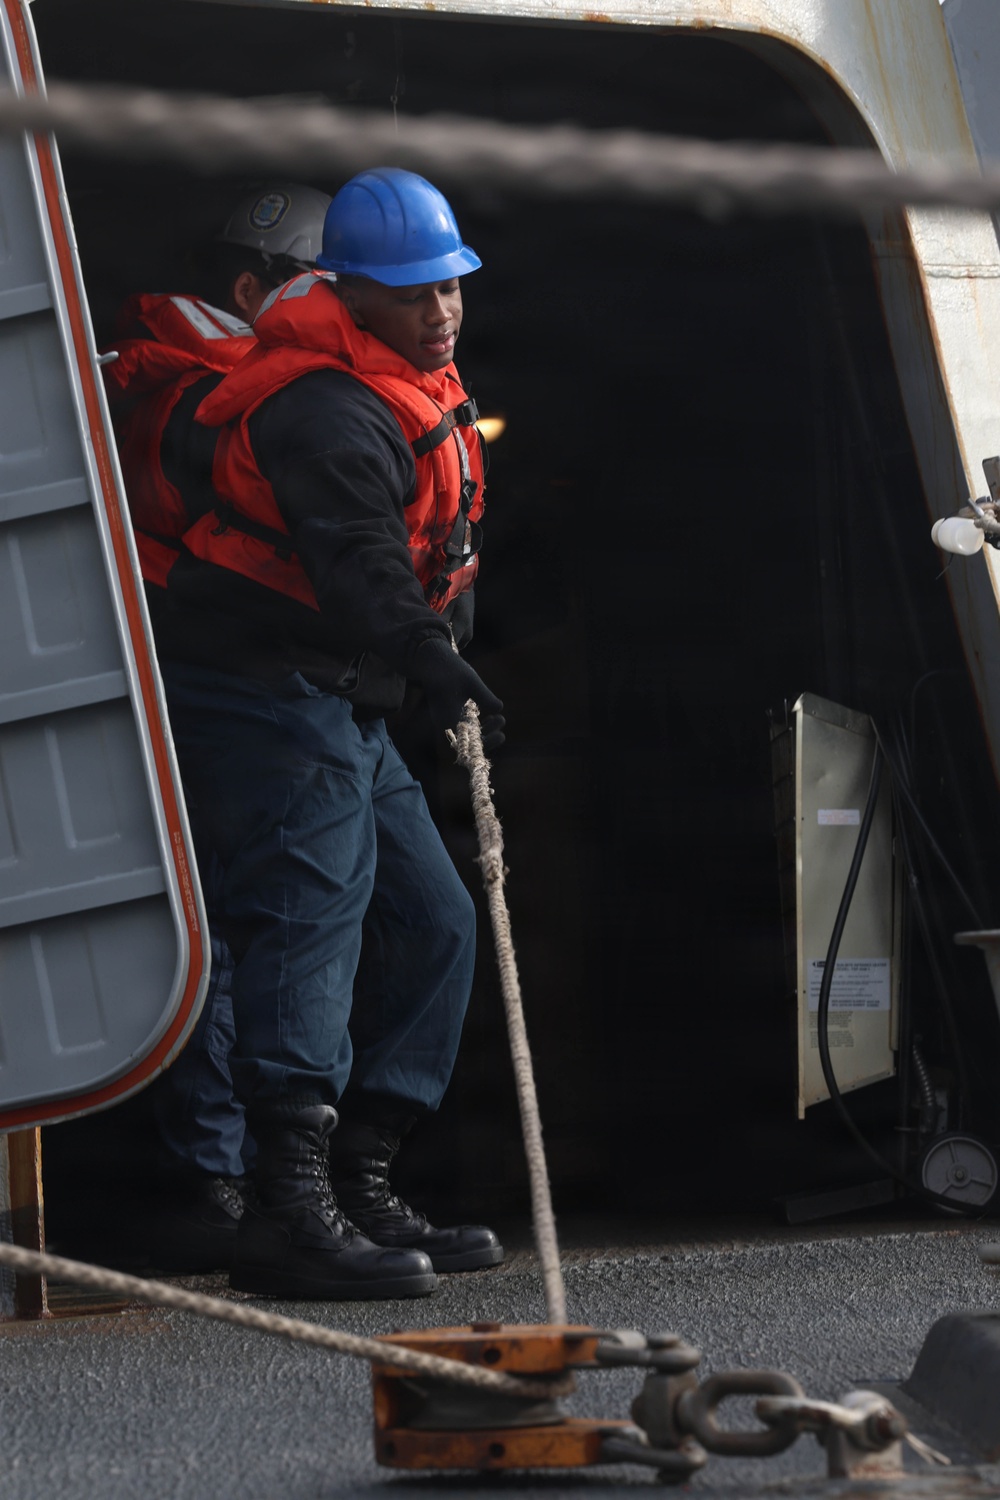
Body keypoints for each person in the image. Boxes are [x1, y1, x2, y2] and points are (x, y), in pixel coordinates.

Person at [146, 167, 505, 1300]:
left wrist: (424, 660)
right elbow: (356, 562)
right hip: (262, 689)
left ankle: (364, 1173)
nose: (439, 310)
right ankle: (287, 1205)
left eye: (449, 284)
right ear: (350, 292)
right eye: (411, 293)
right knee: (310, 917)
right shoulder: (322, 408)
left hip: (345, 691)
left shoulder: (408, 376)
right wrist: (432, 657)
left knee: (437, 921)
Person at [102, 183, 332, 1271]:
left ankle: (242, 1176)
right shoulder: (203, 395)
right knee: (228, 931)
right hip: (201, 685)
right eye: (317, 284)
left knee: (229, 927)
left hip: (186, 680)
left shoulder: (182, 378)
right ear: (251, 289)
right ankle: (227, 1180)